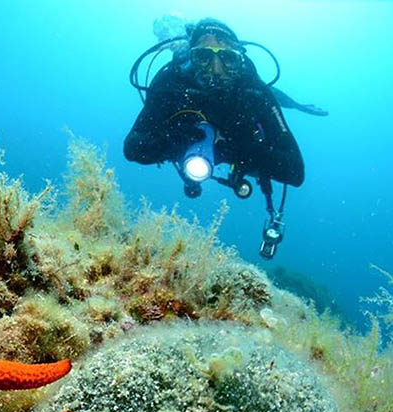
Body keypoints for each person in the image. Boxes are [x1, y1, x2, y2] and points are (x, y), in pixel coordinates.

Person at [124, 18, 316, 259]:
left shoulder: (254, 92)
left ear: (239, 59)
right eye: (204, 57)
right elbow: (132, 147)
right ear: (191, 58)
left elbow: (295, 171)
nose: (216, 69)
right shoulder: (171, 84)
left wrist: (241, 149)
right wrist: (172, 142)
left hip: (243, 151)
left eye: (227, 58)